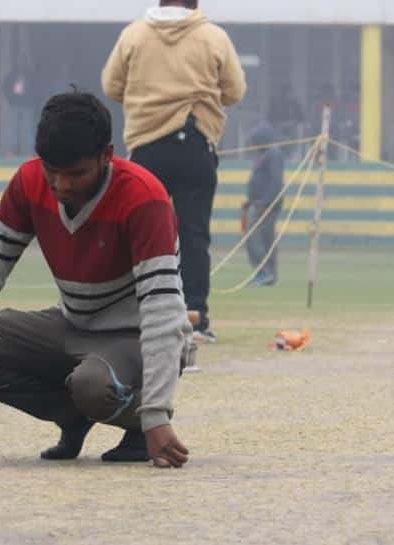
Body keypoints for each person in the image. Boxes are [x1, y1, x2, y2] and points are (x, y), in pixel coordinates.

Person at [0, 90, 193, 468]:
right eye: (51, 170)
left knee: (92, 387)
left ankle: (137, 426)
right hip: (72, 323)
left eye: (75, 173)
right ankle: (72, 415)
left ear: (107, 156)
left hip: (134, 334)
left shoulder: (144, 199)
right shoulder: (28, 181)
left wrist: (156, 414)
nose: (60, 185)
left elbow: (161, 309)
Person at [102, 0, 247, 343]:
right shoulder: (213, 37)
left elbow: (111, 87)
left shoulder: (134, 35)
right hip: (195, 140)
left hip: (146, 146)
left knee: (136, 235)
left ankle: (131, 316)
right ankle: (195, 318)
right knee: (193, 235)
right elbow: (234, 92)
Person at [243, 122, 284, 286]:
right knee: (265, 238)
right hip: (259, 203)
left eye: (256, 141)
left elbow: (276, 181)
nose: (254, 145)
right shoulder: (265, 154)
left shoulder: (274, 154)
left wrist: (266, 202)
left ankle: (264, 271)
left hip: (266, 205)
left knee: (254, 237)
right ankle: (269, 274)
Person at [2, 58, 38, 157]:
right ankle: (11, 151)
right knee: (13, 128)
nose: (21, 63)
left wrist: (31, 101)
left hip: (27, 105)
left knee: (28, 129)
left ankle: (29, 151)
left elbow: (36, 88)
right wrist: (10, 99)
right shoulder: (12, 74)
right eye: (19, 61)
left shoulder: (31, 75)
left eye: (23, 61)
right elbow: (5, 87)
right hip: (15, 104)